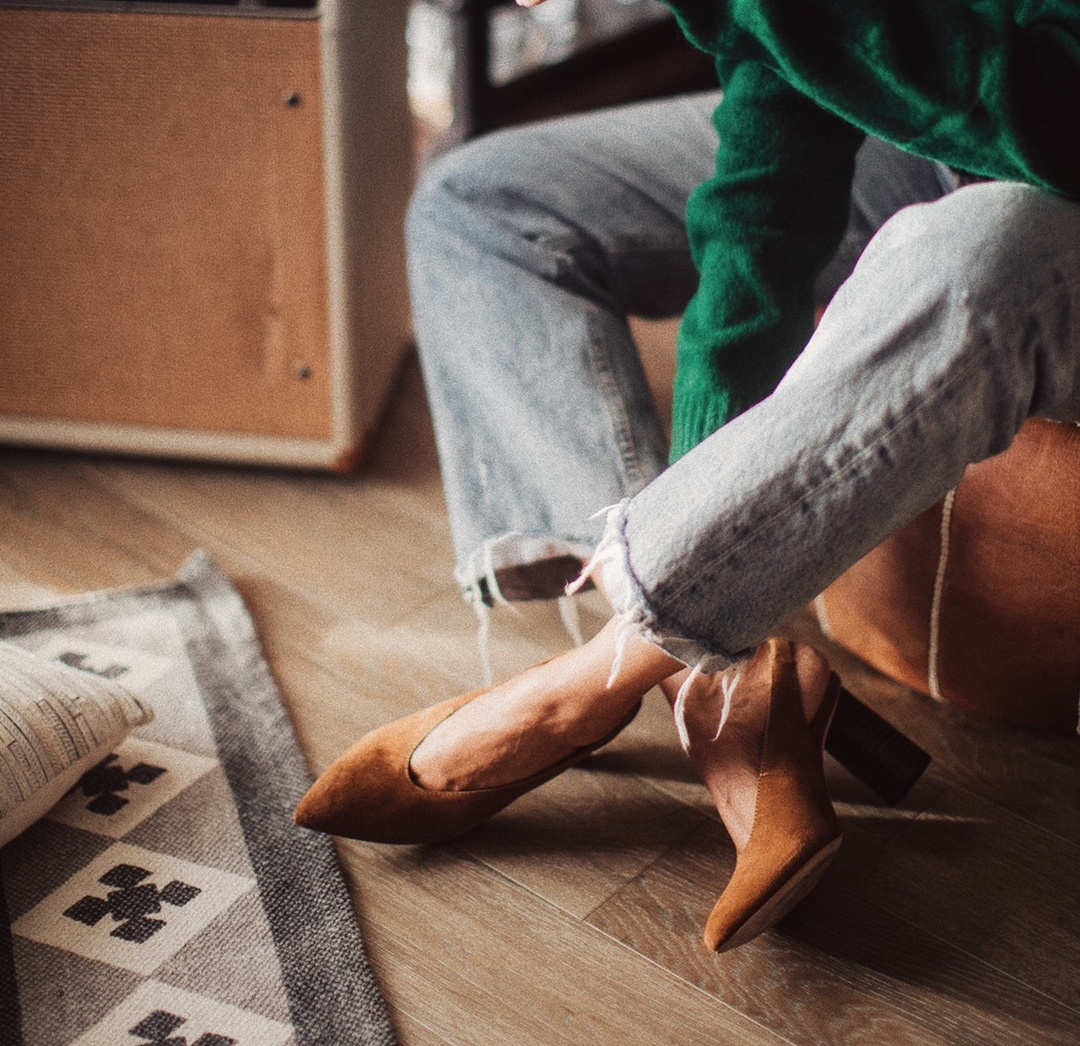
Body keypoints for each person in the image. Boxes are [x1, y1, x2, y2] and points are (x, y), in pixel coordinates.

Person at [296, 1, 1080, 952]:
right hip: (936, 134)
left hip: (1047, 158)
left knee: (975, 253)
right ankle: (720, 680)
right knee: (482, 203)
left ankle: (577, 692)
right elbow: (766, 204)